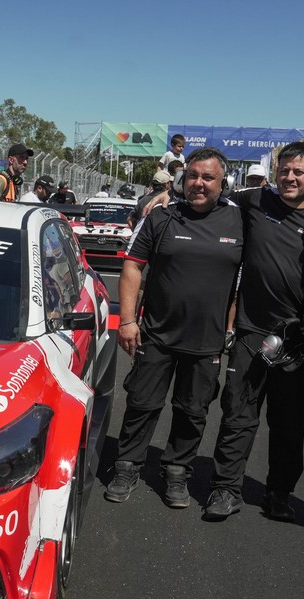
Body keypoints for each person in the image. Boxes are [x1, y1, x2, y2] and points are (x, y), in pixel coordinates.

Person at [203, 142, 304, 521]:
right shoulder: (254, 201)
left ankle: (279, 493)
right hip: (251, 332)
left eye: (298, 172)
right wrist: (164, 198)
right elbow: (209, 195)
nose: (289, 178)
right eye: (284, 170)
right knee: (237, 413)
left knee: (289, 423)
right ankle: (225, 489)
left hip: (296, 341)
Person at [104, 148, 243, 505]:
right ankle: (127, 465)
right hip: (156, 333)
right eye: (192, 175)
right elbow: (133, 266)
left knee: (193, 411)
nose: (199, 183)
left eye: (208, 177)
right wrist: (128, 321)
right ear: (182, 179)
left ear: (223, 183)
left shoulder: (240, 219)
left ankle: (177, 470)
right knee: (142, 404)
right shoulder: (162, 216)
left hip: (208, 340)